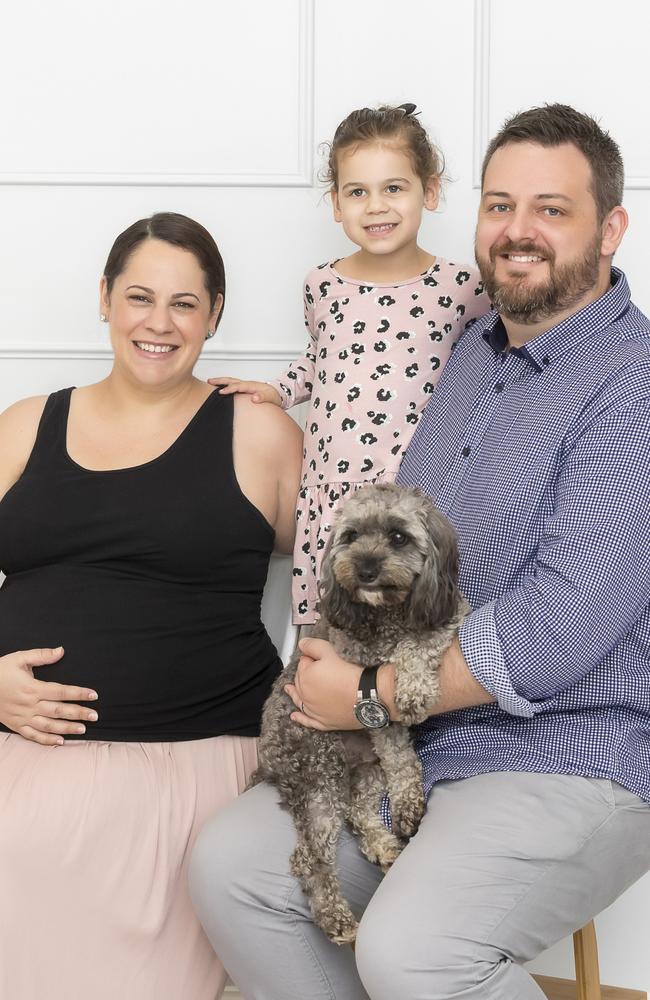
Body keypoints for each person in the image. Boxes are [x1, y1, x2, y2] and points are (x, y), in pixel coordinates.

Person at [189, 105, 650, 1000]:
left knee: (413, 953)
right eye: (499, 205)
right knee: (229, 871)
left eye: (552, 209)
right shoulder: (470, 351)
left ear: (612, 229)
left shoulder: (633, 383)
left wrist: (367, 694)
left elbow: (560, 622)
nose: (518, 231)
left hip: (573, 751)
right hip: (423, 746)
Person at [0, 212, 302, 1000]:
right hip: (20, 752)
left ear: (216, 314)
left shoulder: (260, 434)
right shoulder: (27, 424)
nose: (158, 324)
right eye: (139, 297)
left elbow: (345, 576)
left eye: (185, 304)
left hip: (193, 758)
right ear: (103, 298)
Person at [212, 103, 489, 624]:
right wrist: (277, 391)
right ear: (336, 203)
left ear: (428, 191)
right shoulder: (323, 283)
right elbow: (322, 359)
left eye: (394, 188)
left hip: (413, 485)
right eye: (357, 192)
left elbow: (488, 374)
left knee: (413, 623)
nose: (376, 206)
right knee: (330, 626)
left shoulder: (462, 288)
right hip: (334, 491)